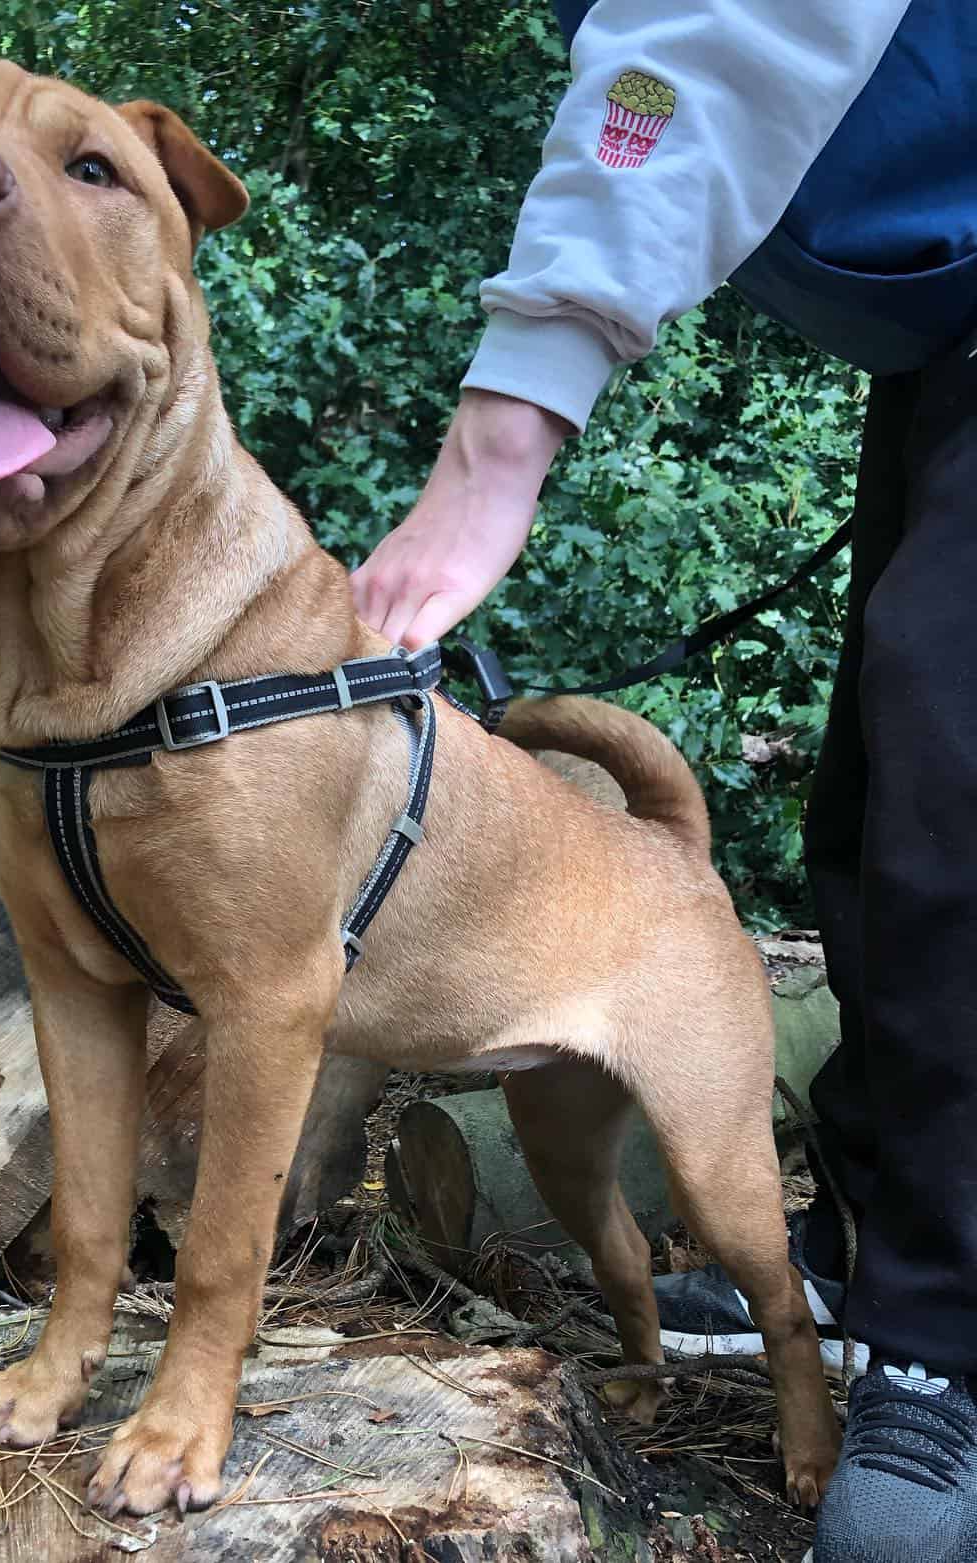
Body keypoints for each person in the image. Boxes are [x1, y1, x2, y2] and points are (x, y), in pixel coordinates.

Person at [351, 4, 977, 1558]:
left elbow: (699, 49)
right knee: (878, 794)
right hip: (946, 338)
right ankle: (867, 1242)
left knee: (952, 794)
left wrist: (504, 437)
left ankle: (945, 1343)